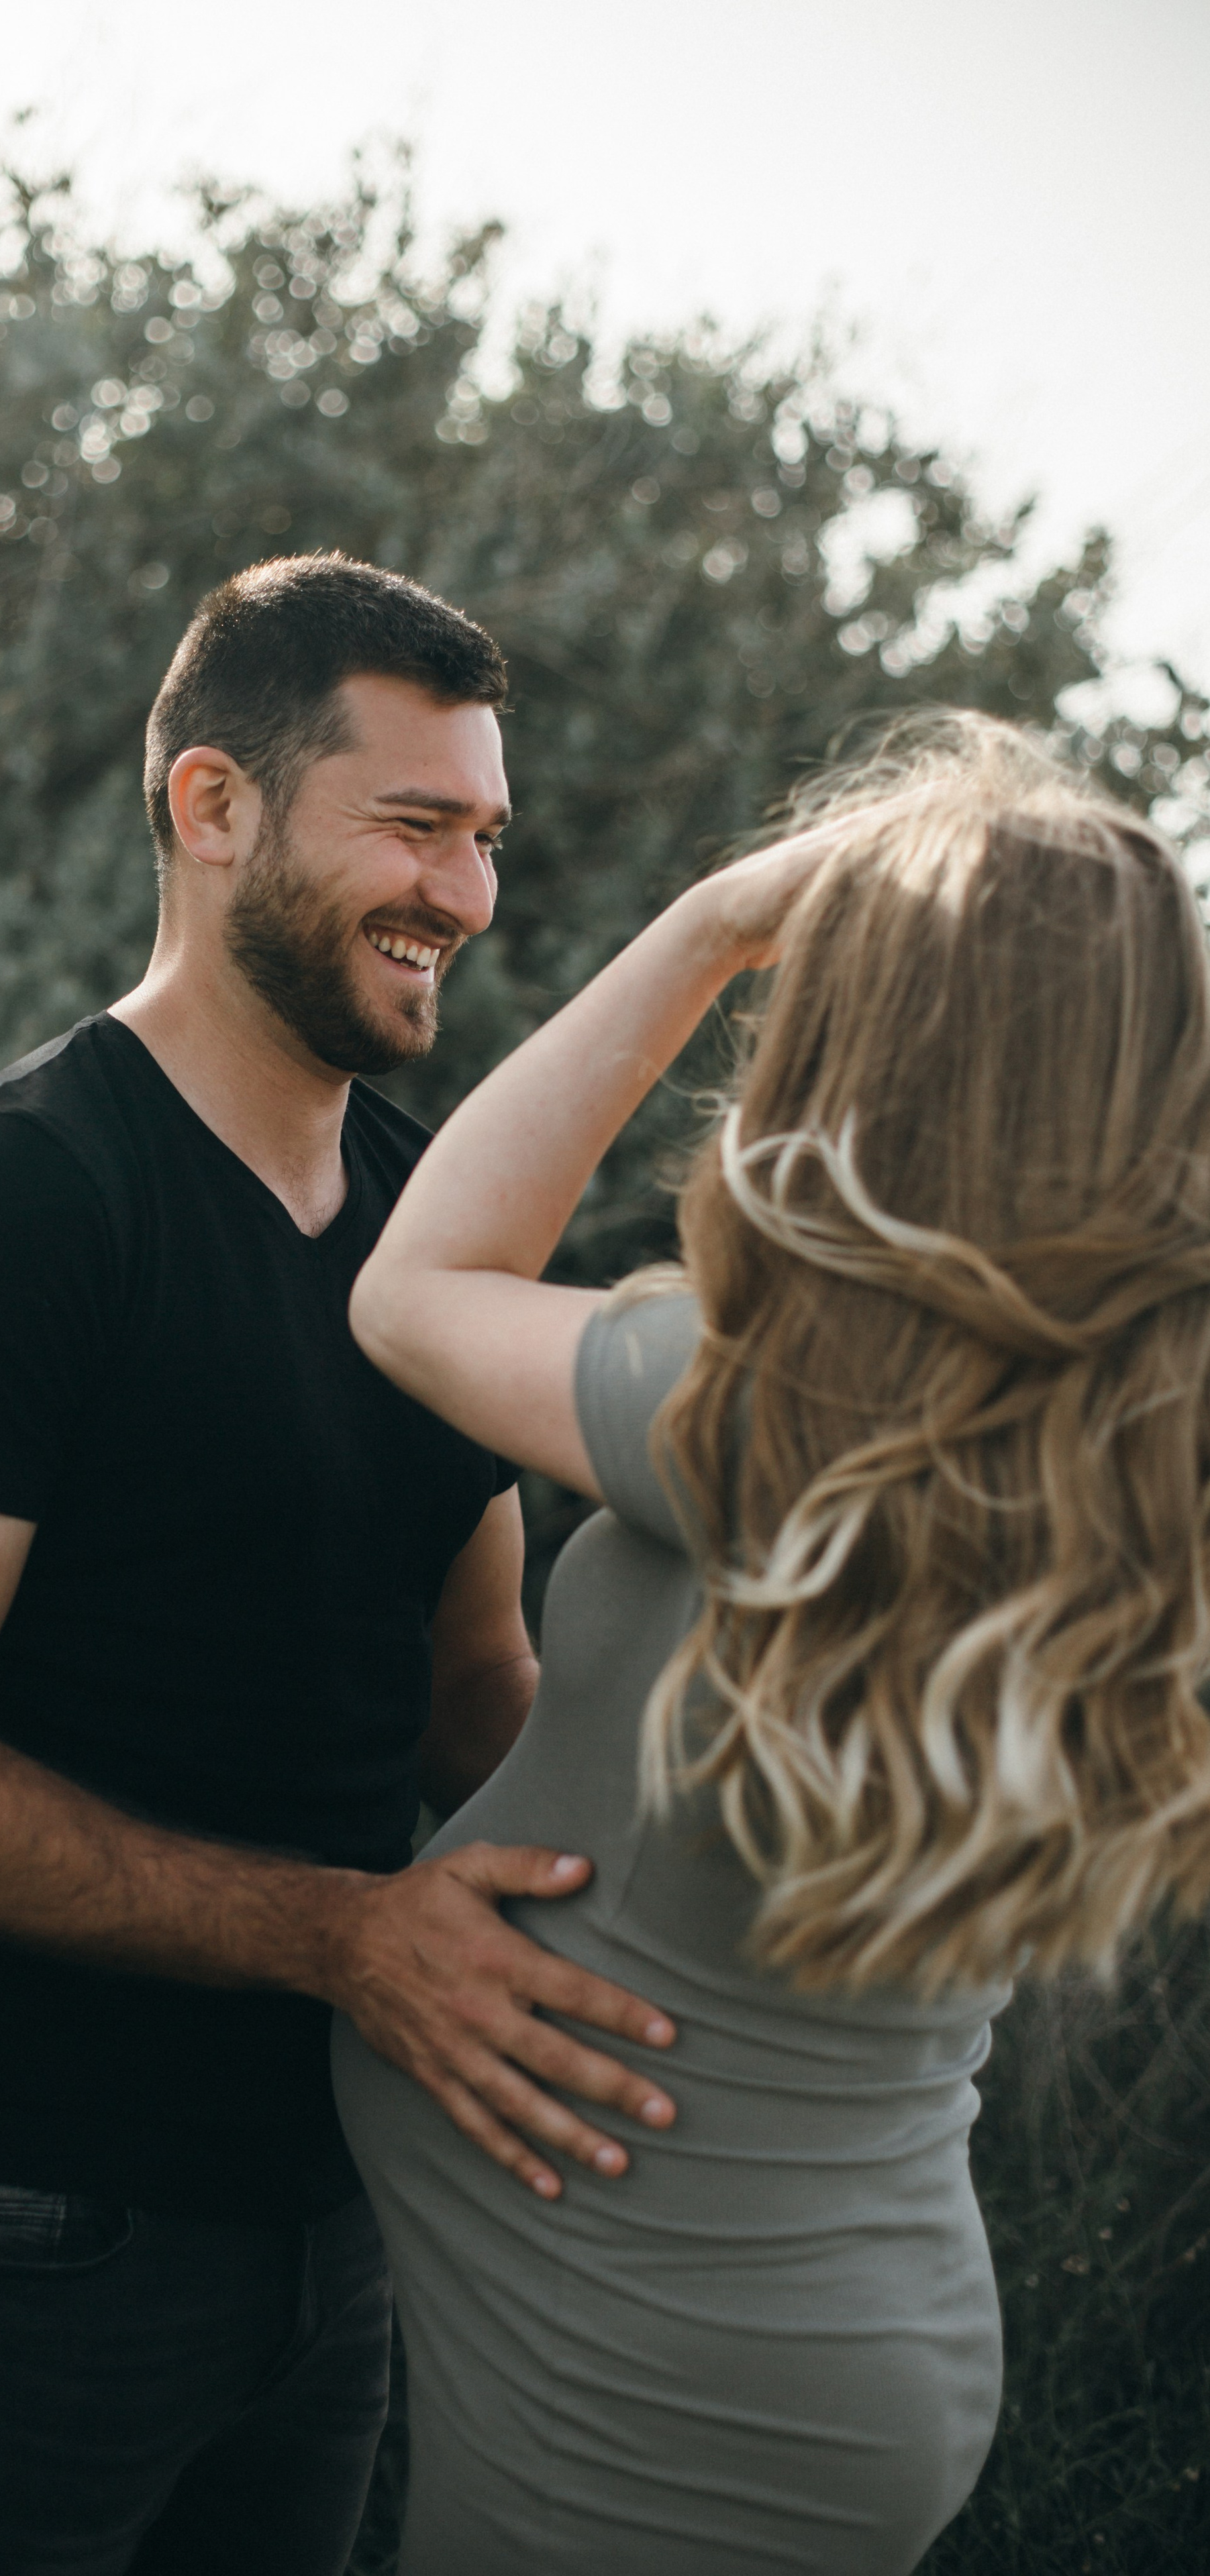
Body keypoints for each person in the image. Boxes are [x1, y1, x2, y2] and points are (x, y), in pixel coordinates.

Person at [0, 553, 681, 2576]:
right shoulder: (9, 1211)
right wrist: (353, 1939)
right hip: (13, 2225)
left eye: (489, 838)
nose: (465, 892)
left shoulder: (425, 1233)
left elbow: (477, 1696)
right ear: (213, 808)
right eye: (415, 823)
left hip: (339, 2218)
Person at [333, 712, 1210, 2575]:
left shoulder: (773, 1425)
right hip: (839, 2330)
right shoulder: (1136, 1458)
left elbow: (414, 1292)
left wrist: (716, 919)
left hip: (647, 2368)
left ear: (877, 1045)